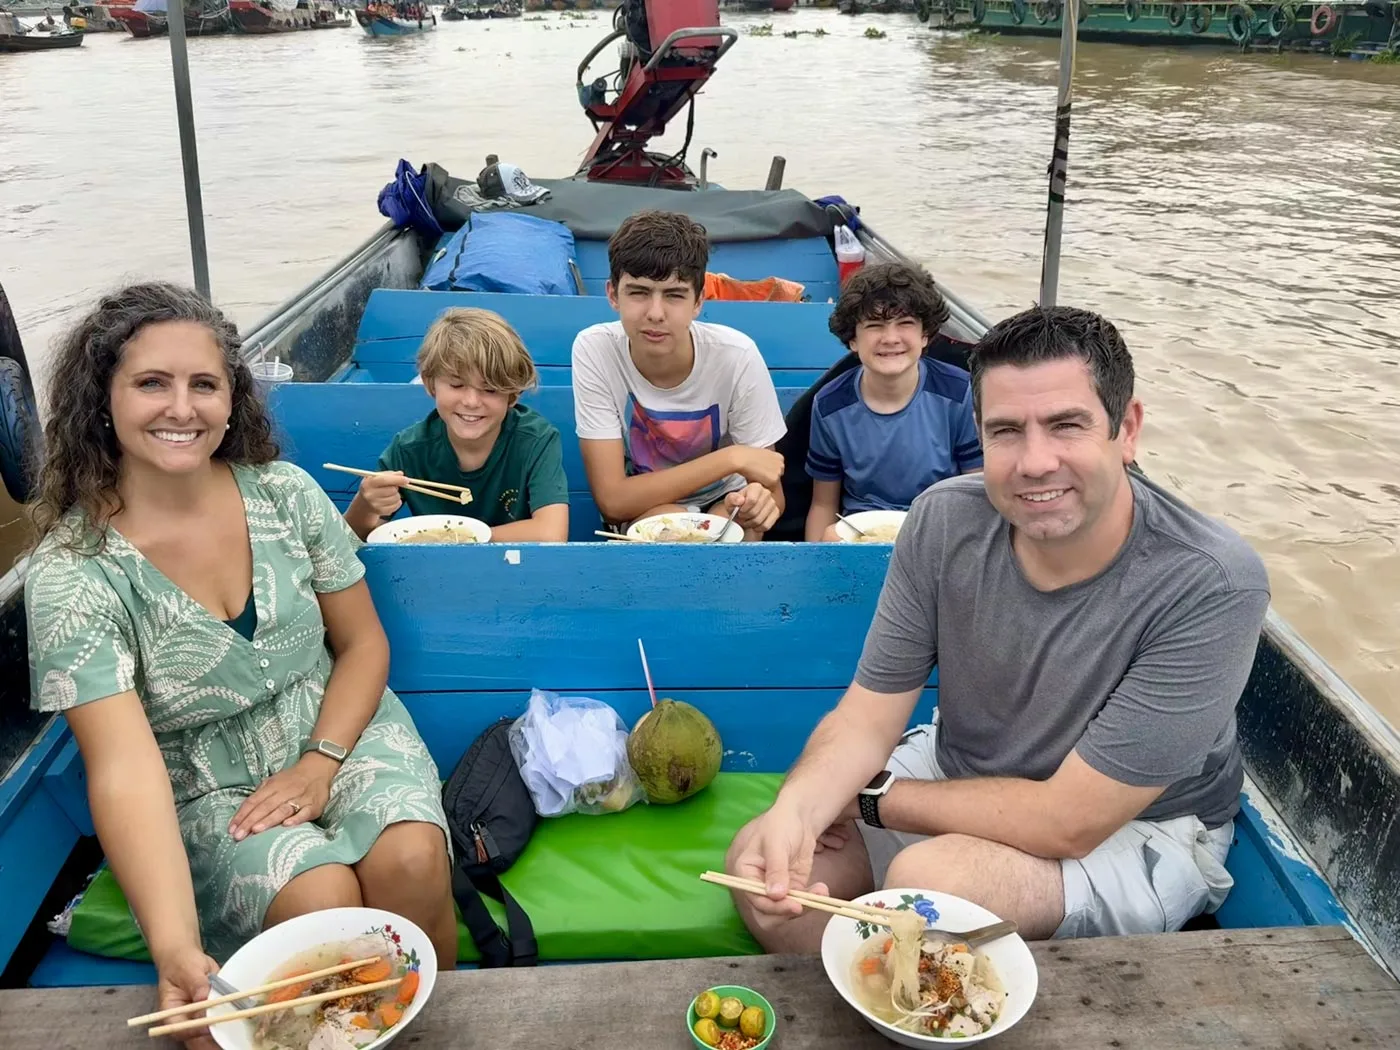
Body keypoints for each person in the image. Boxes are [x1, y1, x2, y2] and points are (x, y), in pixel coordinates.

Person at [726, 305, 1270, 950]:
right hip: (960, 772)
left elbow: (1070, 820)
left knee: (930, 888)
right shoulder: (942, 521)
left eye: (1066, 425)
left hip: (1136, 825)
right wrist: (798, 810)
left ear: (1126, 430)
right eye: (1007, 431)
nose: (1035, 462)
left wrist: (866, 799)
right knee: (765, 875)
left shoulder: (1209, 580)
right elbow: (869, 716)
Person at [24, 283, 458, 1046]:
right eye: (151, 383)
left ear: (232, 401)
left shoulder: (285, 496)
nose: (181, 408)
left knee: (414, 859)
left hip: (337, 725)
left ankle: (434, 1025)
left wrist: (320, 761)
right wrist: (174, 948)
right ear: (102, 399)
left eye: (204, 384)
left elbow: (362, 645)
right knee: (322, 901)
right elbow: (124, 768)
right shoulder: (74, 574)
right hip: (207, 783)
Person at [571, 210, 788, 541]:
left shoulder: (737, 355)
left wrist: (758, 503)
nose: (655, 313)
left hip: (726, 502)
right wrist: (731, 458)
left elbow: (771, 488)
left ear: (699, 301)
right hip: (646, 506)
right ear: (613, 295)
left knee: (738, 526)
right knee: (665, 525)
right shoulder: (596, 348)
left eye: (674, 295)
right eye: (638, 292)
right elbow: (613, 501)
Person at [345, 307, 569, 543]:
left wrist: (455, 538)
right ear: (430, 384)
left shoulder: (535, 440)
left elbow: (551, 534)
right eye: (456, 385)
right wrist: (365, 505)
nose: (471, 402)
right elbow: (350, 542)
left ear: (512, 394)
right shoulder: (409, 449)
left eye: (490, 389)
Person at [804, 262, 981, 542]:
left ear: (925, 334)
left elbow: (978, 492)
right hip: (861, 532)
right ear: (853, 339)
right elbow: (824, 504)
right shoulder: (830, 406)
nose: (890, 338)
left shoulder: (960, 393)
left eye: (905, 323)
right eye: (875, 326)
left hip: (940, 526)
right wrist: (816, 559)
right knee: (829, 535)